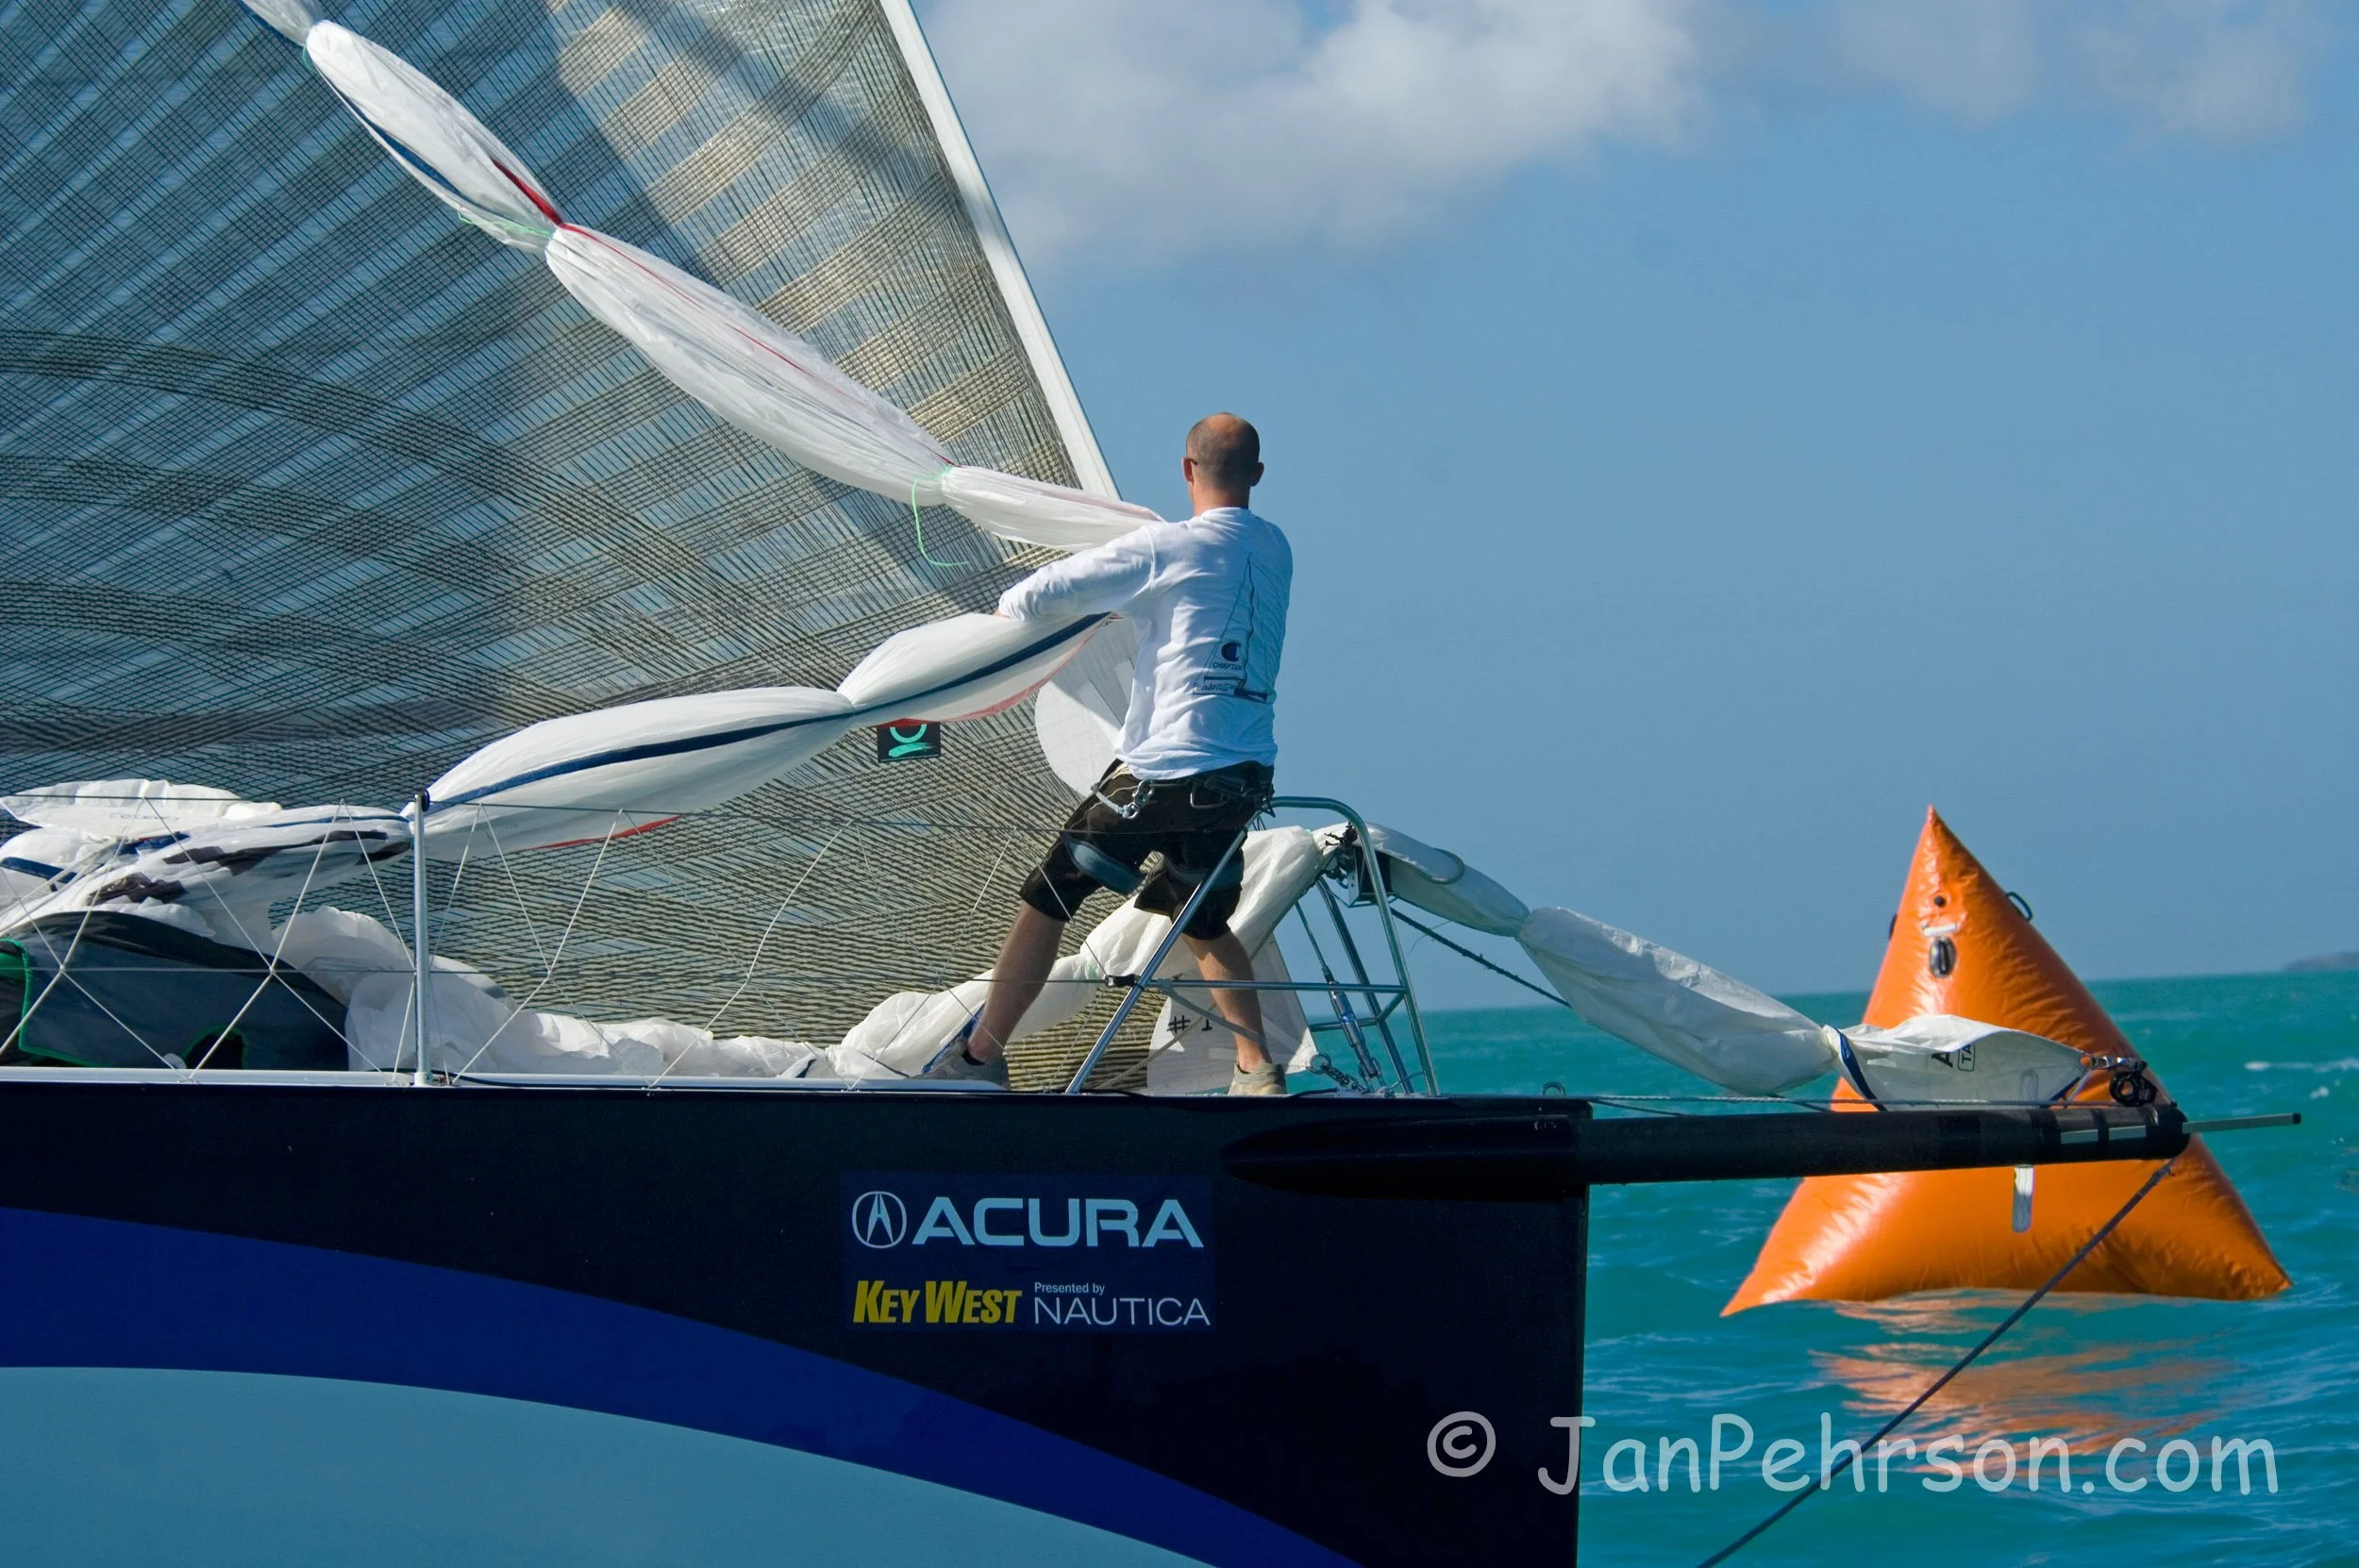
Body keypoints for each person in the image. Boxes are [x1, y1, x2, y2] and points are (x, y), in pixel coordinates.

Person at [929, 413, 1293, 1093]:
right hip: (1242, 780)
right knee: (1205, 921)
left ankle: (978, 1057)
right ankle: (1257, 1069)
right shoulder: (1276, 549)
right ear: (1258, 477)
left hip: (1161, 774)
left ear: (1187, 471)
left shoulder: (1166, 550)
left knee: (1048, 900)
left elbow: (1034, 596)